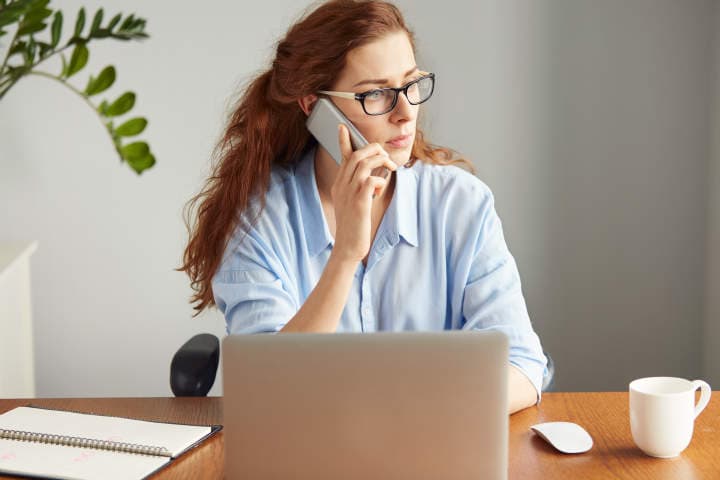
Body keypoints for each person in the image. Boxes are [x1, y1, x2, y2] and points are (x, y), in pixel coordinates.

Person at [181, 0, 547, 414]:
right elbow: (270, 392)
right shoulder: (261, 219)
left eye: (411, 84)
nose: (406, 113)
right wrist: (345, 256)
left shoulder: (460, 205)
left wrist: (413, 413)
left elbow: (522, 366)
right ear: (313, 106)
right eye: (376, 94)